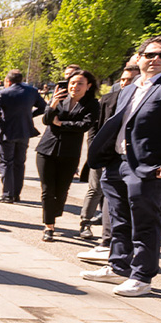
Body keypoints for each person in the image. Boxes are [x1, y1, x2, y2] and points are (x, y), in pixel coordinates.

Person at [81, 35, 161, 297]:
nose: (156, 59)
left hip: (149, 168)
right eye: (150, 55)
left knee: (145, 224)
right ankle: (118, 266)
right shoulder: (130, 87)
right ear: (139, 58)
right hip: (117, 164)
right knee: (119, 220)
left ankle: (142, 277)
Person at [79, 64, 139, 250]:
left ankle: (113, 239)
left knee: (120, 199)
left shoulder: (141, 102)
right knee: (95, 189)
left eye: (130, 80)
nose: (125, 83)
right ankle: (85, 223)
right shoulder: (108, 99)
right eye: (123, 79)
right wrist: (94, 151)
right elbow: (93, 129)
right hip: (103, 154)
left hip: (126, 159)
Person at [35, 69, 97, 241]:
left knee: (62, 191)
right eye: (72, 83)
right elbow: (47, 120)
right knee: (47, 190)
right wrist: (53, 103)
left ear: (88, 86)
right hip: (46, 149)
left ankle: (53, 213)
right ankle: (49, 226)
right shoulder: (60, 99)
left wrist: (61, 123)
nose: (75, 87)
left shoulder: (92, 104)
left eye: (80, 83)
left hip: (69, 153)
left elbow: (84, 125)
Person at [0, 69, 46, 203]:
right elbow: (43, 107)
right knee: (20, 163)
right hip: (24, 131)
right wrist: (29, 115)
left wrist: (2, 115)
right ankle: (16, 194)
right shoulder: (32, 91)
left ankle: (7, 194)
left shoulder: (4, 93)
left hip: (7, 131)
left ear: (7, 81)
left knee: (6, 163)